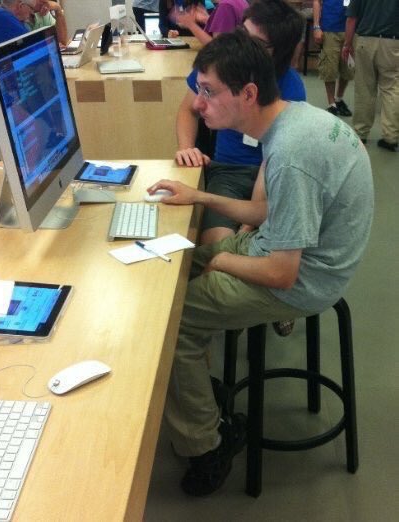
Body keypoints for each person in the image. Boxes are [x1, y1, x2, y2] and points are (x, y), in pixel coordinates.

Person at [147, 29, 374, 496]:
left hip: (302, 278)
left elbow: (281, 274)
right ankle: (198, 393)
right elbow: (267, 213)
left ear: (248, 93)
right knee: (174, 265)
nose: (198, 104)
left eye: (209, 91)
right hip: (282, 248)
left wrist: (223, 264)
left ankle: (207, 444)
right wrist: (200, 197)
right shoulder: (293, 119)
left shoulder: (290, 154)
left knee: (169, 322)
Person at [176, 0, 306, 246]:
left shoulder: (291, 88)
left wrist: (248, 226)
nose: (243, 45)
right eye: (242, 33)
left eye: (255, 43)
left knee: (248, 248)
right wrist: (186, 148)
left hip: (272, 177)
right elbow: (188, 110)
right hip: (228, 171)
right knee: (217, 246)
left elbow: (275, 158)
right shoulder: (219, 67)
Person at [342, 0, 399, 152]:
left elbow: (351, 18)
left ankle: (361, 132)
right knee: (392, 88)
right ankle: (391, 137)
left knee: (365, 88)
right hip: (393, 42)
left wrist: (347, 44)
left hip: (365, 40)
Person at [312, 0, 353, 116]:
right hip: (330, 27)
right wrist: (316, 27)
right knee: (329, 68)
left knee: (348, 69)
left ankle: (339, 99)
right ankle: (331, 104)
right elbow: (317, 2)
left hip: (351, 28)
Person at [174, 0, 248, 44]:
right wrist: (207, 19)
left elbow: (217, 47)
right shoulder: (241, 1)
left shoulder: (225, 6)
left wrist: (190, 24)